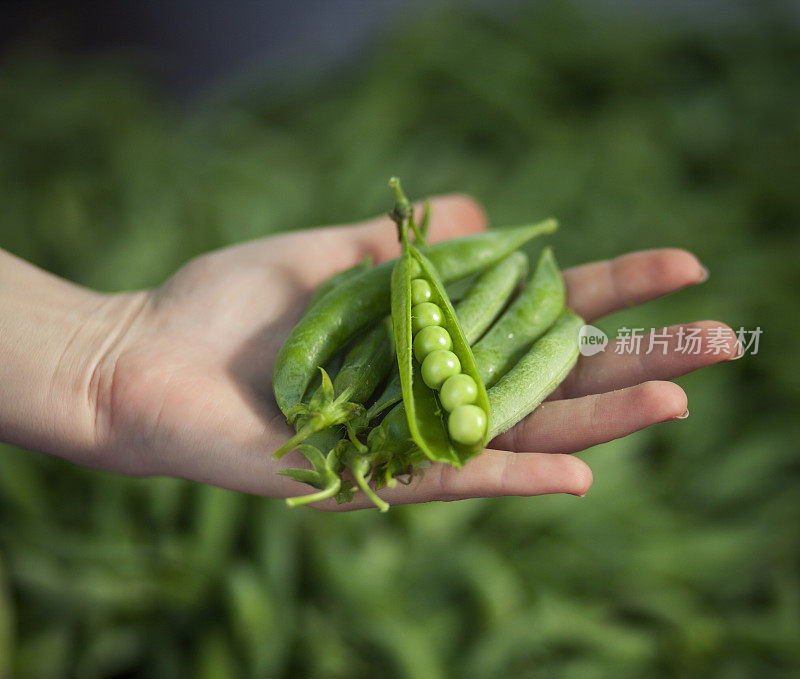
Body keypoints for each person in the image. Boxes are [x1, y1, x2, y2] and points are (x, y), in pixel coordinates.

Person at [0, 194, 738, 509]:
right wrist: (99, 359)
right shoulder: (313, 381)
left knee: (491, 319)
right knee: (422, 311)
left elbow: (450, 363)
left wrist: (102, 357)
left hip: (417, 382)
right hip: (366, 394)